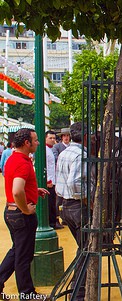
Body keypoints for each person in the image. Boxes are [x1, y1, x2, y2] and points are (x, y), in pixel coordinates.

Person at [0, 128, 49, 299]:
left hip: (11, 212)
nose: (37, 143)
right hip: (21, 215)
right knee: (23, 256)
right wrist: (26, 209)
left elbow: (18, 186)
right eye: (35, 140)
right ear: (27, 143)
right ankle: (27, 294)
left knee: (17, 251)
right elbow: (17, 191)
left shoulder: (13, 159)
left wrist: (33, 191)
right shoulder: (22, 162)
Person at [55, 122, 92, 300]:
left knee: (83, 247)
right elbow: (74, 183)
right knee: (87, 250)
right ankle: (79, 293)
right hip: (78, 207)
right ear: (85, 137)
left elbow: (60, 183)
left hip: (66, 206)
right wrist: (88, 200)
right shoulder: (79, 155)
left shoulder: (65, 152)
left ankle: (77, 286)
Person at [46, 130, 64, 230]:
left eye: (54, 138)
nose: (53, 140)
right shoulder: (44, 150)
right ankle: (51, 223)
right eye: (50, 138)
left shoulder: (50, 149)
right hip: (49, 181)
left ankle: (53, 221)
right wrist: (47, 180)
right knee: (50, 203)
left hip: (53, 180)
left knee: (53, 202)